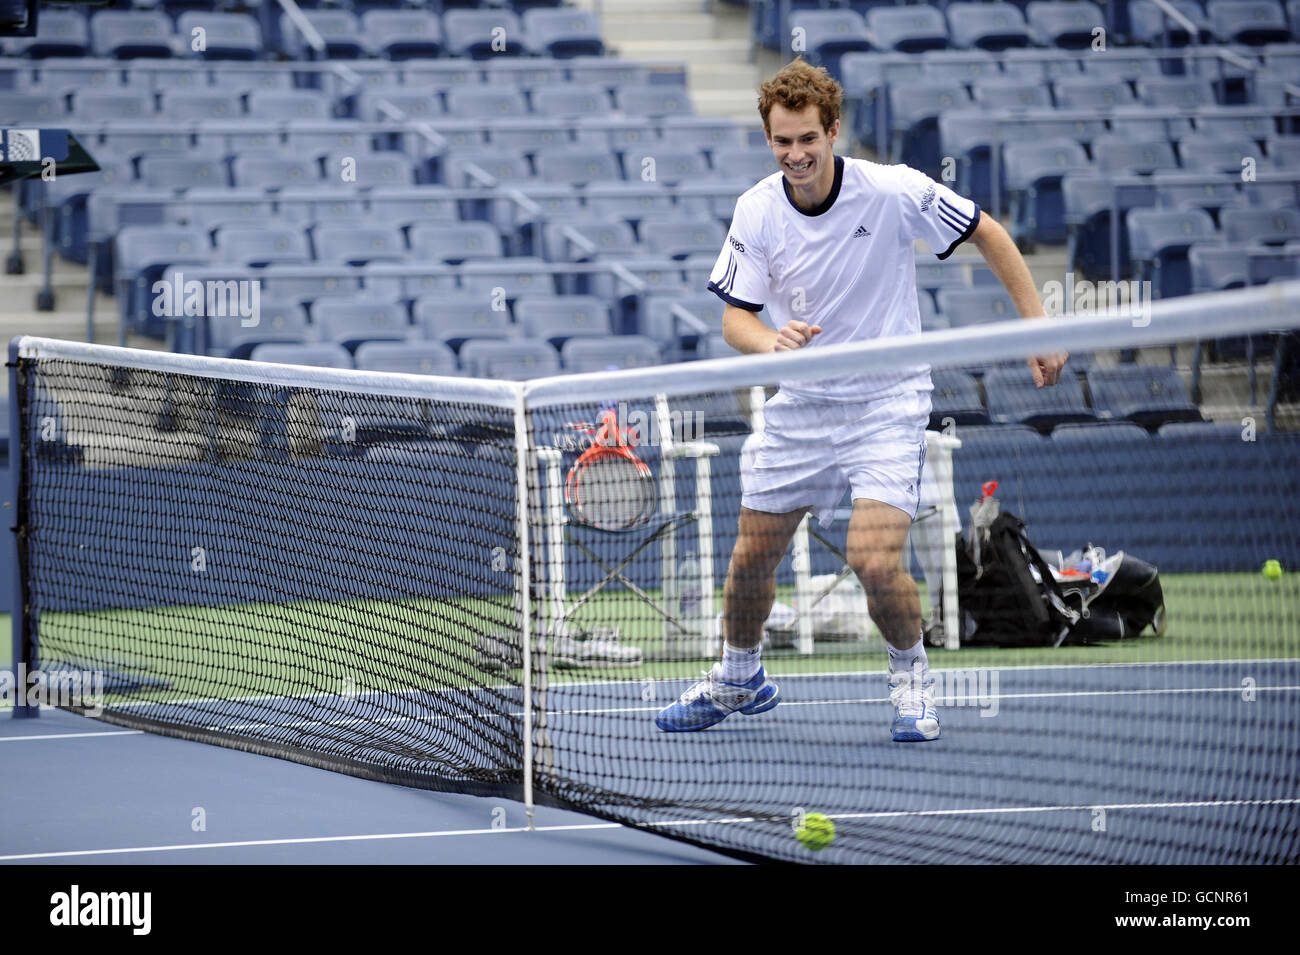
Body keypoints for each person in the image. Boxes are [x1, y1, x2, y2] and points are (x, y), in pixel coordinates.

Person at [655, 59, 1066, 740]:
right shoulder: (757, 209)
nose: (796, 155)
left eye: (808, 139)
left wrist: (1039, 325)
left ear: (833, 130)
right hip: (803, 402)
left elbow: (987, 231)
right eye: (782, 141)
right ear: (768, 139)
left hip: (887, 400)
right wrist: (770, 344)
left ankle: (911, 677)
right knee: (750, 560)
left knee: (873, 560)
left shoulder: (891, 191)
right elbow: (736, 320)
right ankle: (739, 675)